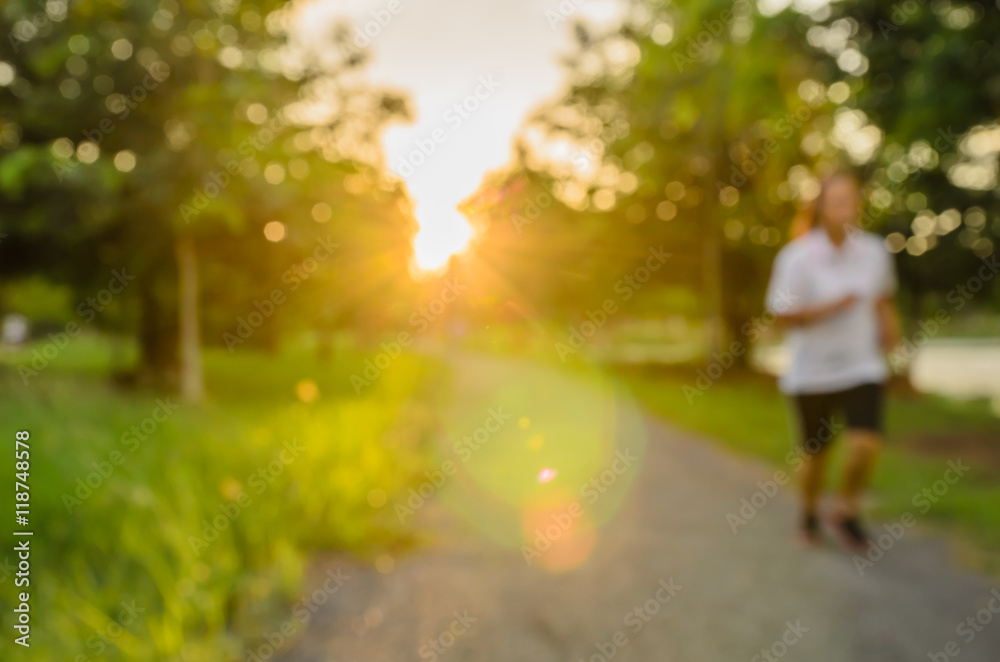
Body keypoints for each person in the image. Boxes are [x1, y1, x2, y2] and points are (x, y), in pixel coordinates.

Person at [764, 172, 900, 551]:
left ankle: (845, 510)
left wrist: (891, 332)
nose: (847, 207)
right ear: (820, 207)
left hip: (862, 366)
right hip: (812, 373)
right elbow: (780, 315)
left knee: (866, 445)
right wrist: (831, 308)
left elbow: (883, 298)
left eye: (852, 199)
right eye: (837, 200)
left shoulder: (874, 251)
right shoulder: (796, 257)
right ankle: (808, 511)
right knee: (816, 456)